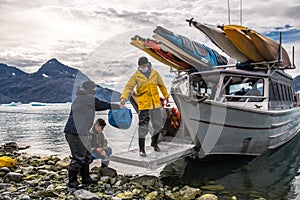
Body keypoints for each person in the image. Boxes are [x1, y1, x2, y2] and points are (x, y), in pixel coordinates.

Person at [64, 80, 120, 189]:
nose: (95, 90)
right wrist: (117, 106)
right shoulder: (86, 97)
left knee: (86, 156)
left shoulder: (82, 97)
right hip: (75, 132)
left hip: (82, 132)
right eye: (94, 88)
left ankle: (86, 178)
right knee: (78, 158)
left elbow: (98, 106)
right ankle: (72, 182)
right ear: (90, 89)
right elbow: (101, 104)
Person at [120, 56, 169, 157]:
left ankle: (154, 143)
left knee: (158, 126)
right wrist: (124, 97)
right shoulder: (136, 76)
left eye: (144, 65)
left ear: (148, 64)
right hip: (144, 106)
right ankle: (142, 150)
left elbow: (162, 85)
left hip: (155, 104)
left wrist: (166, 96)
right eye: (141, 66)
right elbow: (129, 87)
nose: (143, 67)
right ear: (139, 66)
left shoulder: (155, 74)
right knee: (143, 128)